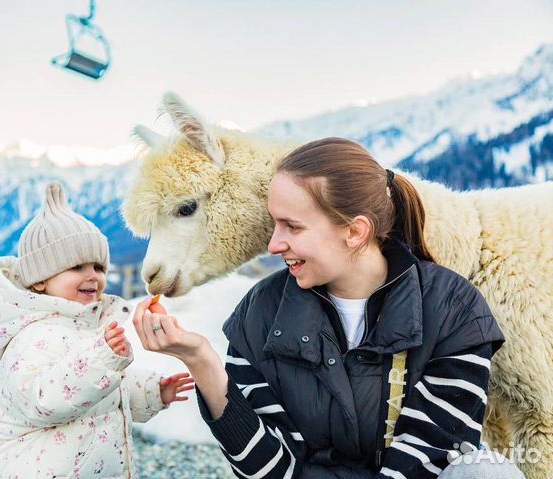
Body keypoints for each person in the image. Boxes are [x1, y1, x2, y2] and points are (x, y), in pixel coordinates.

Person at [132, 138, 525, 479]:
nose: (274, 244)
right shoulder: (259, 314)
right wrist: (201, 360)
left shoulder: (451, 309)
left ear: (354, 232)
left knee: (484, 470)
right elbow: (268, 470)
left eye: (292, 227)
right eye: (274, 224)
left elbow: (431, 454)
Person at [0, 182, 193, 479]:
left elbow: (106, 394)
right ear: (39, 281)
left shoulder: (88, 327)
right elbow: (45, 401)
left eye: (99, 267)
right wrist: (102, 359)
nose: (92, 276)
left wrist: (152, 392)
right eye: (76, 267)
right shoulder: (32, 336)